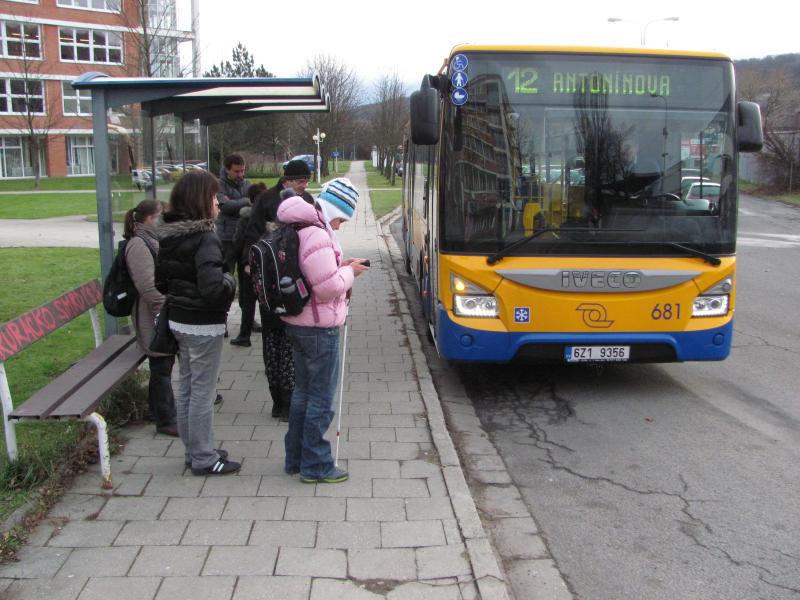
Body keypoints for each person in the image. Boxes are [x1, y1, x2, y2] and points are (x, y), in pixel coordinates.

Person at [277, 177, 369, 484]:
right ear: (334, 210)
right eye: (342, 218)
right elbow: (328, 287)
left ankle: (296, 458)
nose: (341, 225)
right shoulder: (316, 232)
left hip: (299, 323)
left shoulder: (302, 225)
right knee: (320, 400)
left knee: (303, 395)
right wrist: (350, 273)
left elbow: (318, 272)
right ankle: (316, 465)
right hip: (318, 328)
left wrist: (343, 266)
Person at [155, 170, 241, 476]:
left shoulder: (169, 235)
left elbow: (161, 283)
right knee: (203, 392)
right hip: (203, 326)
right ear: (201, 201)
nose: (218, 203)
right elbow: (213, 289)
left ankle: (194, 451)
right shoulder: (206, 237)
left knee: (188, 388)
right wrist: (230, 281)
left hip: (178, 322)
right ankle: (205, 458)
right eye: (214, 197)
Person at [243, 158, 315, 419]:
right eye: (299, 181)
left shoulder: (307, 200)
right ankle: (280, 400)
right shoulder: (266, 200)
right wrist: (249, 263)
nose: (304, 185)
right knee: (273, 342)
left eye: (307, 180)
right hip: (270, 278)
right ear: (285, 180)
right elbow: (250, 233)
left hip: (294, 280)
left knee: (289, 342)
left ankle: (289, 401)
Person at [123, 199, 177, 437]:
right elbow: (147, 287)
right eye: (162, 215)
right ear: (148, 219)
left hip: (157, 311)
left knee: (163, 362)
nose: (165, 220)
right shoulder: (138, 244)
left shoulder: (151, 239)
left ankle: (156, 411)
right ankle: (166, 420)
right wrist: (166, 310)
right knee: (161, 362)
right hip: (150, 313)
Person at [229, 182, 266, 347]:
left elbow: (238, 242)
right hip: (267, 263)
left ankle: (244, 335)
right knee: (266, 299)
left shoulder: (246, 218)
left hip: (248, 263)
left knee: (248, 300)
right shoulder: (272, 215)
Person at [216, 153, 250, 274]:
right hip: (227, 238)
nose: (240, 174)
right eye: (236, 171)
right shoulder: (218, 185)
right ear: (227, 170)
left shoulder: (247, 184)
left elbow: (255, 204)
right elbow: (225, 207)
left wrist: (233, 203)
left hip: (244, 236)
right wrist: (246, 201)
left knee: (246, 274)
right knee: (227, 273)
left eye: (242, 171)